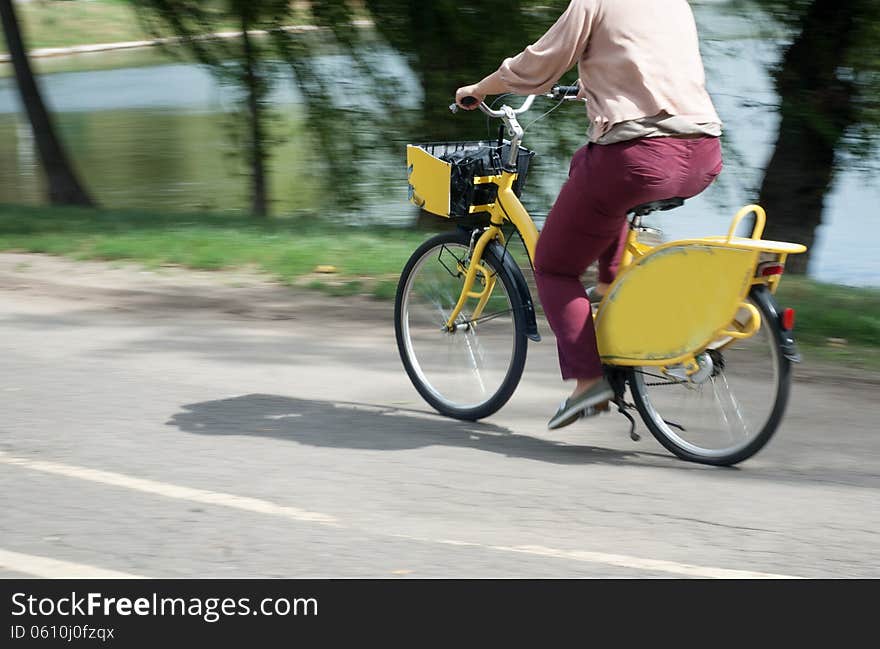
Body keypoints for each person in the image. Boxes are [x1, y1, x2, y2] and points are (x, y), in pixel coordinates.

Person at [455, 0, 723, 430]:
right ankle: (608, 282)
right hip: (704, 152)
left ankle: (587, 384)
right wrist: (597, 83)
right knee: (588, 169)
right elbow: (652, 65)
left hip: (640, 157)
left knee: (554, 267)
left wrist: (480, 89)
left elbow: (537, 65)